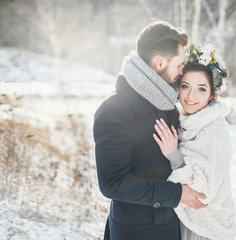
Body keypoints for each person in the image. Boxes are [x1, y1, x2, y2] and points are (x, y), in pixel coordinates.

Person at [93, 21, 207, 240]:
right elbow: (113, 183)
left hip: (169, 223)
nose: (182, 72)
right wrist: (176, 194)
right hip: (135, 230)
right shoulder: (114, 112)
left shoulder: (167, 105)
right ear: (160, 62)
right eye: (180, 65)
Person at [153, 42, 236, 240]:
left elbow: (200, 191)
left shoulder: (214, 129)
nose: (191, 96)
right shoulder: (185, 120)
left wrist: (173, 155)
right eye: (185, 86)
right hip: (186, 222)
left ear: (212, 94)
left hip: (207, 228)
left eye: (201, 89)